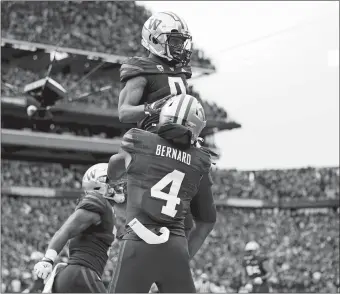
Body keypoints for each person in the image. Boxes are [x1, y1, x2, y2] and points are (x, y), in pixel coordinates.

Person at [107, 94, 217, 293]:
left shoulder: (138, 140)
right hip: (175, 247)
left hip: (138, 242)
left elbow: (113, 170)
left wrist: (117, 178)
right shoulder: (200, 160)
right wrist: (185, 254)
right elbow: (207, 220)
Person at [33, 163, 125, 293]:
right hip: (80, 273)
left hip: (78, 275)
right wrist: (48, 259)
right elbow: (67, 230)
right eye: (113, 181)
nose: (118, 185)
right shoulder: (98, 201)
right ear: (99, 185)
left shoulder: (107, 210)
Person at [118, 11, 194, 132]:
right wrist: (151, 108)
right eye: (175, 41)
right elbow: (123, 113)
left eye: (181, 42)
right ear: (154, 39)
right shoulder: (143, 68)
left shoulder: (181, 71)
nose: (180, 47)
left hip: (180, 140)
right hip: (153, 139)